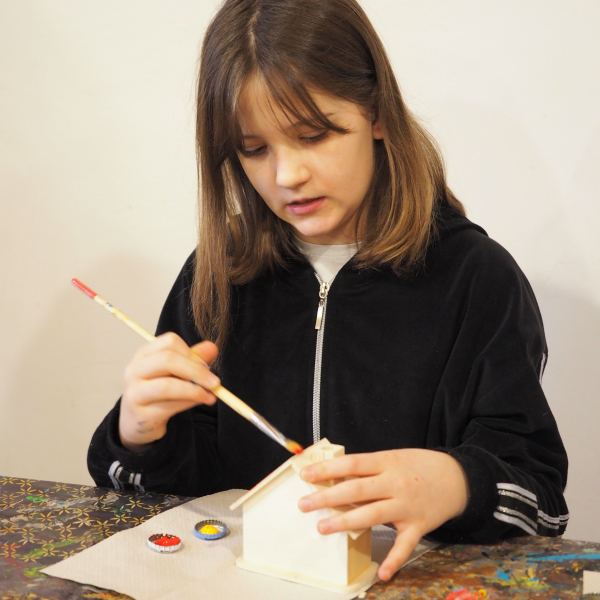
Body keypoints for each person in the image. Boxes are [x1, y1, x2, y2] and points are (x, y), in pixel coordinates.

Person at [88, 0, 569, 581]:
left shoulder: (477, 279)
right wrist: (140, 434)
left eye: (313, 135)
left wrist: (456, 483)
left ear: (377, 114)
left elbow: (542, 503)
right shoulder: (218, 275)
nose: (287, 175)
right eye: (254, 149)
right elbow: (168, 501)